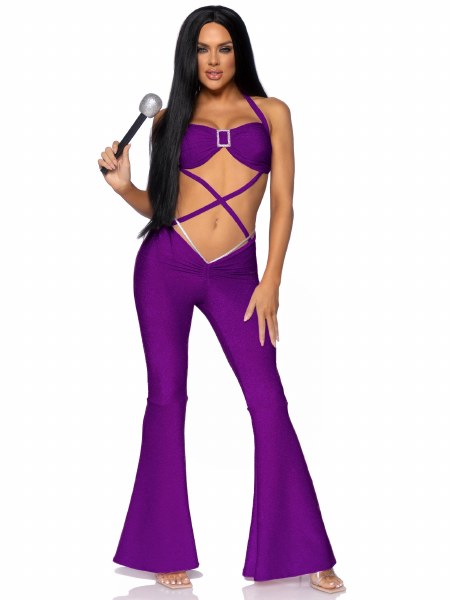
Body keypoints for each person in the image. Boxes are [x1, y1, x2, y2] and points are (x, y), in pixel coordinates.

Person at [98, 5, 346, 594]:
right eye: (203, 49)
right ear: (190, 55)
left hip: (238, 275)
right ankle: (163, 548)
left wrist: (272, 280)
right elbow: (162, 207)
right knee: (167, 399)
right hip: (165, 266)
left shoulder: (272, 112)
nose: (213, 60)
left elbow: (282, 203)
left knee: (268, 402)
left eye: (224, 48)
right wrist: (126, 187)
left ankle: (306, 550)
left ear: (239, 52)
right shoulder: (169, 119)